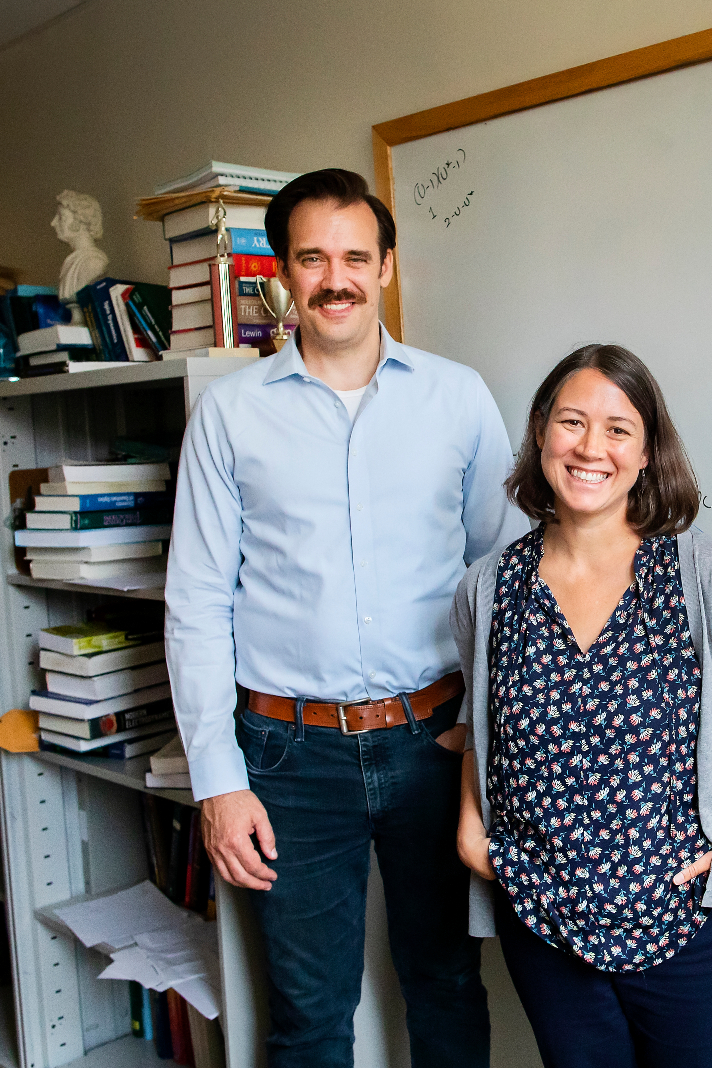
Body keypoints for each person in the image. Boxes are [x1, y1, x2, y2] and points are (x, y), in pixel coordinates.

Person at [166, 168, 525, 1067]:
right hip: (285, 759)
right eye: (313, 257)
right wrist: (218, 779)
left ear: (388, 267)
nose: (337, 278)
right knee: (308, 1016)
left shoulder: (457, 398)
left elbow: (502, 578)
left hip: (434, 744)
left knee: (446, 988)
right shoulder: (229, 415)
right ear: (284, 273)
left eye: (356, 256)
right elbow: (200, 600)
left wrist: (481, 734)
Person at [453, 343, 712, 1068]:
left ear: (647, 454)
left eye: (618, 429)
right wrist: (470, 829)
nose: (590, 447)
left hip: (694, 932)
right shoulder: (488, 589)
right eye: (572, 422)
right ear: (542, 433)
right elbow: (480, 726)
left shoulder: (705, 579)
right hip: (544, 923)